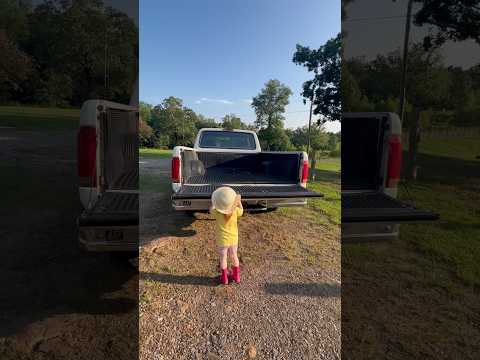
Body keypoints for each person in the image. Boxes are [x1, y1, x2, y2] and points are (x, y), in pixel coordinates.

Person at [210, 186, 243, 285]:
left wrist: (214, 203)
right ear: (232, 203)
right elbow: (241, 210)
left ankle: (224, 278)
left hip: (222, 241)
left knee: (223, 258)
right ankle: (236, 277)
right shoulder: (236, 211)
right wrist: (238, 202)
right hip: (233, 240)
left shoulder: (216, 212)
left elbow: (211, 209)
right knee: (234, 256)